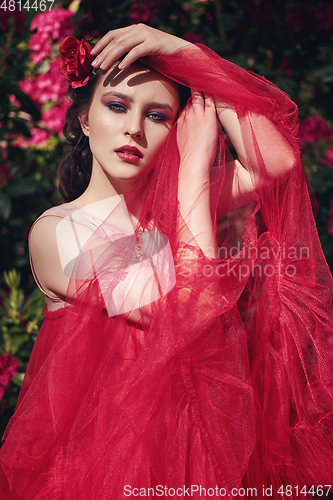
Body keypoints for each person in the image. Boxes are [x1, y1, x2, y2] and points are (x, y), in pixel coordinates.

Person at [1, 23, 333, 499]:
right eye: (116, 106)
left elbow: (275, 163)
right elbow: (192, 309)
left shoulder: (177, 207)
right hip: (105, 469)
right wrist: (196, 168)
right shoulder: (61, 232)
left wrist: (187, 56)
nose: (134, 128)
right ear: (85, 119)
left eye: (157, 116)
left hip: (203, 448)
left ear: (177, 128)